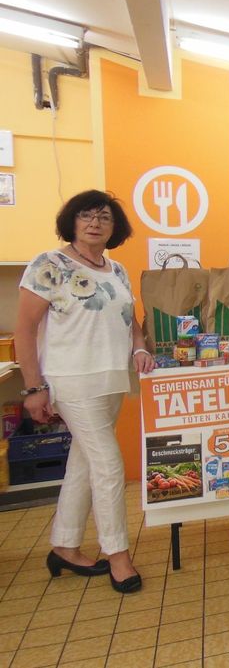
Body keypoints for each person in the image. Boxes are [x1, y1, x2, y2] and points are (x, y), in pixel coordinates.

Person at [15, 190, 155, 594]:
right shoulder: (49, 265)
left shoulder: (118, 270)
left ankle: (64, 545)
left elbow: (130, 322)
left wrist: (140, 346)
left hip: (111, 380)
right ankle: (118, 556)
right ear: (72, 221)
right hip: (71, 381)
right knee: (109, 466)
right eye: (86, 215)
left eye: (105, 217)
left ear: (115, 228)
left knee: (83, 464)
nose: (95, 222)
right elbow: (24, 331)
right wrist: (34, 388)